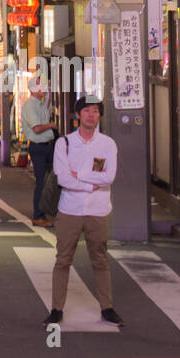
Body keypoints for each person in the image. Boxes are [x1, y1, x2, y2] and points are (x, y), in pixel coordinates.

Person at [45, 96, 123, 327]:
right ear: (78, 116)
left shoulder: (108, 144)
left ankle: (107, 308)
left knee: (100, 259)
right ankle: (57, 309)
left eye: (96, 111)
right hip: (69, 209)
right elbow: (63, 177)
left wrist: (80, 176)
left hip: (98, 211)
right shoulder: (65, 143)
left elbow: (109, 177)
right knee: (63, 260)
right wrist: (91, 183)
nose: (91, 115)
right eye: (86, 111)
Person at [21, 76, 57, 226]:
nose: (45, 88)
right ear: (34, 90)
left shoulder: (41, 103)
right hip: (39, 147)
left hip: (47, 145)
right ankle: (38, 215)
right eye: (42, 86)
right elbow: (36, 129)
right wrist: (53, 125)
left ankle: (46, 212)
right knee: (41, 182)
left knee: (50, 180)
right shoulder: (30, 106)